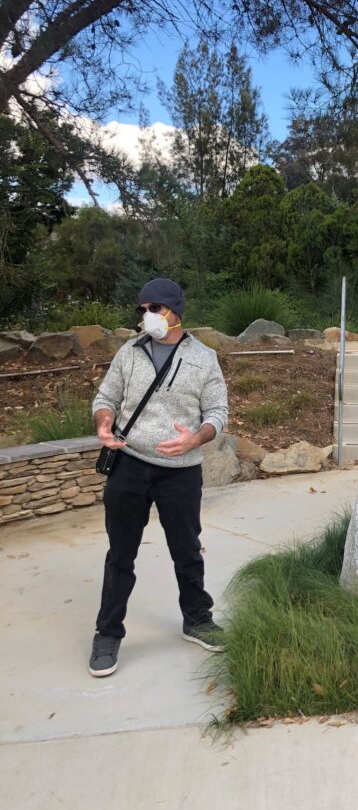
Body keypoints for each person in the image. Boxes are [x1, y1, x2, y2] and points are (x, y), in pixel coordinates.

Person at [88, 278, 229, 677]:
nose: (146, 316)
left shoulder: (205, 358)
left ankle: (198, 620)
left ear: (175, 312)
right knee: (120, 555)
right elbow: (105, 398)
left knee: (187, 549)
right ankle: (108, 633)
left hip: (180, 474)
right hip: (129, 465)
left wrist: (197, 438)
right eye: (143, 309)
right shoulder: (129, 353)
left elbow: (218, 412)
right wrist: (104, 423)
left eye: (155, 308)